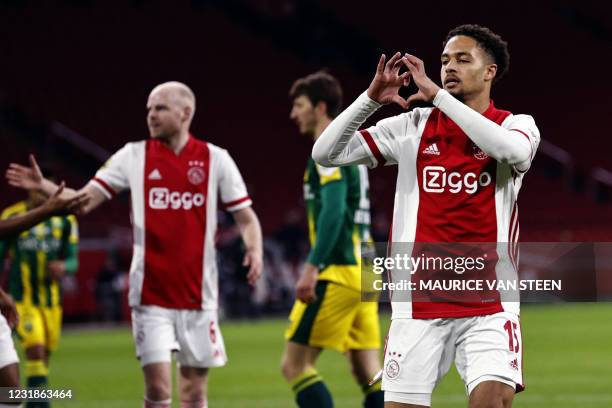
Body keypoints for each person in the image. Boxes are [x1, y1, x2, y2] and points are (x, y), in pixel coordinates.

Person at [312, 25, 540, 408]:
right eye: (445, 60)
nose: (449, 67)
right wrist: (369, 100)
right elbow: (326, 153)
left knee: (492, 401)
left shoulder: (516, 125)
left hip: (489, 303)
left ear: (490, 72)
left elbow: (512, 153)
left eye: (463, 59)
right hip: (417, 305)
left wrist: (438, 97)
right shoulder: (412, 128)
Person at [7, 81, 264, 408]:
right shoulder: (133, 155)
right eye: (148, 109)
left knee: (194, 393)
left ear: (185, 113)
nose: (151, 116)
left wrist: (254, 250)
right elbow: (83, 202)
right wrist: (43, 185)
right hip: (150, 296)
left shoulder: (216, 159)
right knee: (158, 390)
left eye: (159, 108)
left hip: (200, 297)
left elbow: (246, 216)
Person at [281, 71, 383, 408]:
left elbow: (334, 212)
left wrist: (312, 267)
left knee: (295, 366)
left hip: (340, 268)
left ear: (320, 107)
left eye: (299, 105)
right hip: (367, 267)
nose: (293, 113)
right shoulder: (351, 146)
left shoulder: (327, 150)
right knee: (369, 371)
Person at [0, 183, 86, 407]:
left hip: (51, 302)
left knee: (37, 365)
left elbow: (73, 259)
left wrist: (64, 266)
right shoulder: (12, 215)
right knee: (35, 351)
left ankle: (33, 401)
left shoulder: (65, 221)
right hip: (23, 300)